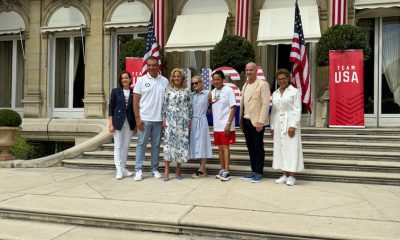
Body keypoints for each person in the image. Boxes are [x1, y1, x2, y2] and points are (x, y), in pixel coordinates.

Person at [133, 56, 169, 181]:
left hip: (159, 119)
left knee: (156, 145)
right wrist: (137, 118)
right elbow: (135, 100)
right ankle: (138, 169)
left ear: (158, 65)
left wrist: (165, 118)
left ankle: (154, 169)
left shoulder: (164, 81)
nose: (151, 67)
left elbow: (167, 101)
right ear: (146, 66)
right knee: (141, 144)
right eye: (149, 65)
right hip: (145, 119)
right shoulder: (141, 80)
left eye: (154, 65)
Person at [271, 68, 304, 186]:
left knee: (291, 148)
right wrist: (272, 127)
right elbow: (273, 112)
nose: (282, 81)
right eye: (279, 79)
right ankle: (284, 174)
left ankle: (292, 176)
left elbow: (297, 110)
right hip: (278, 123)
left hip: (290, 122)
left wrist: (293, 126)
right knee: (281, 149)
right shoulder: (275, 93)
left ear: (288, 78)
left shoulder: (294, 91)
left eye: (284, 78)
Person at [239, 62, 271, 183]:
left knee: (258, 147)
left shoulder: (263, 84)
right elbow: (243, 104)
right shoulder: (245, 84)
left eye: (251, 70)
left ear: (256, 70)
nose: (248, 72)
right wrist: (241, 120)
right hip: (246, 120)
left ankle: (259, 172)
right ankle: (253, 170)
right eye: (247, 70)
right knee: (250, 147)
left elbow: (265, 104)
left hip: (257, 122)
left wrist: (261, 122)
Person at [162, 68, 192, 181]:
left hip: (183, 121)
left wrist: (189, 120)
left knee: (181, 145)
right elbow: (164, 105)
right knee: (168, 145)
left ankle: (178, 169)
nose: (176, 78)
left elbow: (190, 107)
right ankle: (166, 170)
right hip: (171, 120)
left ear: (182, 78)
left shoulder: (187, 91)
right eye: (174, 76)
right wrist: (164, 119)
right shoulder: (168, 90)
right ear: (172, 78)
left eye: (178, 76)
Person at [209, 70, 236, 181]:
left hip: (226, 124)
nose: (216, 81)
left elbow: (233, 107)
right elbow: (214, 106)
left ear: (222, 80)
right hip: (217, 125)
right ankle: (222, 169)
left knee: (225, 147)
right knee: (219, 147)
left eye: (218, 79)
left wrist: (228, 124)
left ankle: (227, 171)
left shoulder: (229, 90)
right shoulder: (213, 91)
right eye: (214, 79)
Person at [108, 71, 136, 180]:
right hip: (117, 122)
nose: (124, 79)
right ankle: (118, 169)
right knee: (118, 146)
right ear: (120, 80)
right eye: (122, 78)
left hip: (129, 123)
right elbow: (111, 108)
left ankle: (123, 168)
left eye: (126, 78)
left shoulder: (134, 92)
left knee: (125, 146)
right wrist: (110, 124)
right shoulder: (115, 92)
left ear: (130, 79)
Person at [190, 75, 212, 179]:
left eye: (197, 82)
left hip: (202, 121)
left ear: (202, 83)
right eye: (193, 83)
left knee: (203, 143)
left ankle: (202, 168)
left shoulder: (208, 93)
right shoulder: (191, 95)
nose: (195, 85)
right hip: (193, 122)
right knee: (197, 144)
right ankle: (202, 167)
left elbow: (214, 106)